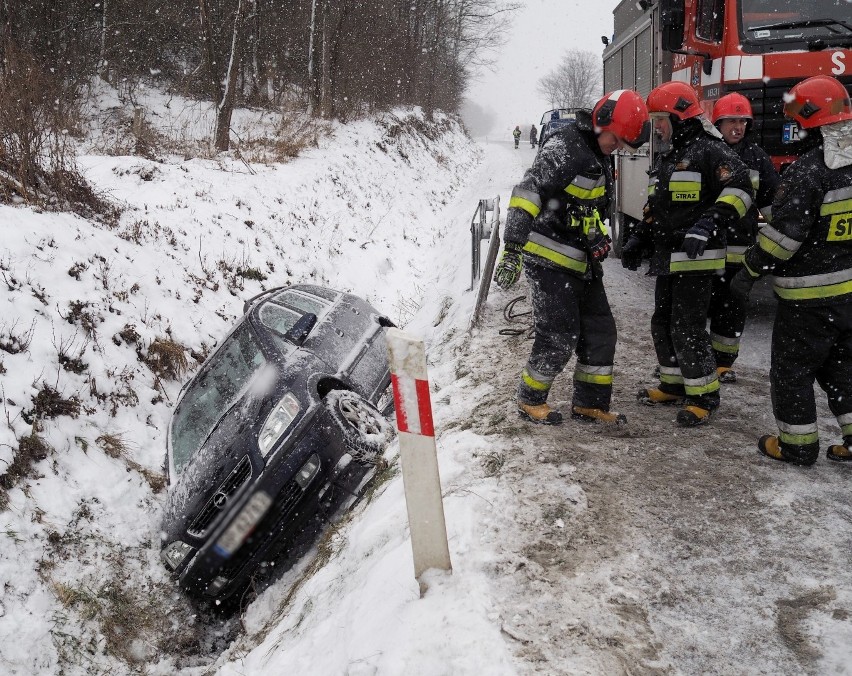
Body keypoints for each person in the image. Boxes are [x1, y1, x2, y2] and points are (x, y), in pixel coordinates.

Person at [494, 89, 650, 425]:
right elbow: (529, 191)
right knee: (559, 334)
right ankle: (529, 398)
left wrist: (595, 237)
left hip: (581, 262)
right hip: (547, 260)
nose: (619, 148)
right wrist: (512, 248)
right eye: (617, 140)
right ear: (601, 123)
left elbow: (583, 207)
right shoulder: (565, 147)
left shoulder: (598, 151)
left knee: (600, 331)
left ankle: (590, 404)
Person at [729, 75, 852, 465]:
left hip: (807, 299)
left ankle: (796, 446)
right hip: (849, 296)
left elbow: (782, 239)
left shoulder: (808, 172)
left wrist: (747, 271)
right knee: (843, 369)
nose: (792, 130)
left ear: (810, 120)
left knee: (792, 371)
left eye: (796, 121)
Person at [621, 81, 753, 427]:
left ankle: (704, 396)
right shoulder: (668, 157)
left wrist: (708, 223)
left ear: (680, 116)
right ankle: (674, 384)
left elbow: (740, 189)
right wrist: (639, 237)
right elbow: (656, 208)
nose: (657, 126)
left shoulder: (711, 151)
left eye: (661, 118)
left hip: (698, 259)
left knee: (688, 326)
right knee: (662, 322)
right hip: (667, 258)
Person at [707, 93, 780, 383]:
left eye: (742, 121)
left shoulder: (757, 158)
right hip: (704, 250)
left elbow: (772, 202)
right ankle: (691, 361)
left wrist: (789, 231)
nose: (737, 127)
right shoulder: (707, 152)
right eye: (731, 121)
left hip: (739, 252)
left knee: (732, 308)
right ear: (718, 123)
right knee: (694, 309)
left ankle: (723, 363)